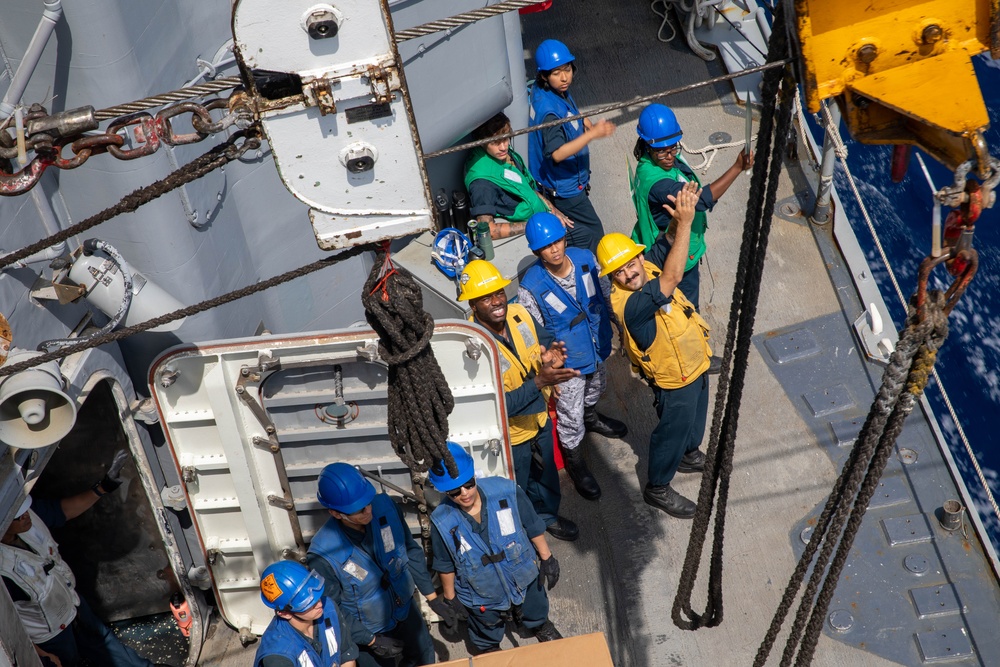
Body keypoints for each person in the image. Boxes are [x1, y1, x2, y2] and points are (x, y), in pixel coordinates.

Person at [597, 185, 712, 518]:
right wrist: (689, 223)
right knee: (670, 432)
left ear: (638, 256)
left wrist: (677, 221)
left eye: (631, 263)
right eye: (619, 272)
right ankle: (658, 487)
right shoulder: (631, 304)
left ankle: (690, 454)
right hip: (674, 379)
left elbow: (666, 243)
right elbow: (675, 275)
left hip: (696, 363)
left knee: (696, 420)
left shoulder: (648, 265)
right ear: (613, 277)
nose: (630, 273)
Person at [0, 451, 168, 667]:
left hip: (73, 603)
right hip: (51, 636)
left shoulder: (30, 516)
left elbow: (64, 510)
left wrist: (102, 487)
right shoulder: (3, 571)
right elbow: (6, 624)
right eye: (17, 515)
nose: (25, 516)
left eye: (23, 509)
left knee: (106, 644)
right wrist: (40, 654)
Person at [457, 259, 580, 541]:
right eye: (485, 298)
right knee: (515, 490)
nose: (497, 301)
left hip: (538, 419)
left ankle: (547, 516)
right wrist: (541, 382)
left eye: (498, 292)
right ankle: (522, 534)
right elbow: (494, 406)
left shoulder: (519, 314)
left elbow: (544, 336)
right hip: (510, 439)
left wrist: (551, 352)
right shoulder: (471, 349)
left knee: (547, 479)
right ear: (473, 306)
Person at [518, 211, 627, 501]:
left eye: (557, 241)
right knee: (569, 417)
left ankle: (592, 418)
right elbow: (533, 334)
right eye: (546, 246)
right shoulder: (532, 286)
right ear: (536, 251)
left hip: (597, 345)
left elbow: (605, 295)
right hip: (567, 365)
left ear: (565, 239)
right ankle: (577, 465)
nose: (554, 249)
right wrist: (547, 368)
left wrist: (620, 326)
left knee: (597, 388)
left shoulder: (585, 259)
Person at [307, 462, 457, 667]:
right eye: (359, 510)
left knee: (423, 657)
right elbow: (332, 608)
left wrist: (432, 598)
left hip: (404, 609)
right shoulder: (323, 555)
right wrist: (371, 640)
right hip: (368, 628)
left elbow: (410, 550)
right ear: (336, 513)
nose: (368, 510)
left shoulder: (386, 507)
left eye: (368, 502)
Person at [427, 441, 562, 654]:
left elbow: (532, 524)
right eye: (454, 491)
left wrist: (547, 557)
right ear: (445, 492)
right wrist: (450, 597)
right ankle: (488, 646)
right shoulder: (442, 521)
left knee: (534, 605)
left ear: (473, 476)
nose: (464, 493)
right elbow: (445, 564)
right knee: (485, 625)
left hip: (522, 573)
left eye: (469, 484)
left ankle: (539, 625)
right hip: (480, 589)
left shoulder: (505, 490)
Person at [630, 103, 754, 309]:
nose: (670, 156)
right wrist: (737, 167)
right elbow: (700, 199)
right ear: (647, 146)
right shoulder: (659, 185)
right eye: (662, 151)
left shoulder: (654, 160)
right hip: (673, 253)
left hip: (668, 241)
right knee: (687, 309)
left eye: (673, 148)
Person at [529, 39, 615, 254]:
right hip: (566, 189)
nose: (564, 77)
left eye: (567, 69)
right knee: (596, 234)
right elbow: (557, 154)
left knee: (581, 233)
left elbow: (567, 110)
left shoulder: (547, 90)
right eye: (556, 73)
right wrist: (593, 134)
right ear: (544, 76)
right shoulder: (549, 112)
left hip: (560, 184)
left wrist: (582, 119)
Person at [464, 111, 573, 241]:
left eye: (506, 138)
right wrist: (533, 226)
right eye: (496, 142)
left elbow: (526, 187)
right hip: (533, 231)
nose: (504, 147)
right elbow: (488, 231)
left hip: (543, 216)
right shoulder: (482, 184)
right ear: (481, 141)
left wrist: (553, 210)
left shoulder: (500, 155)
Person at [255, 560, 359, 667]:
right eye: (308, 603)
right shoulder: (278, 656)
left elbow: (347, 657)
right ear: (284, 613)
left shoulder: (328, 608)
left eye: (317, 595)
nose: (318, 604)